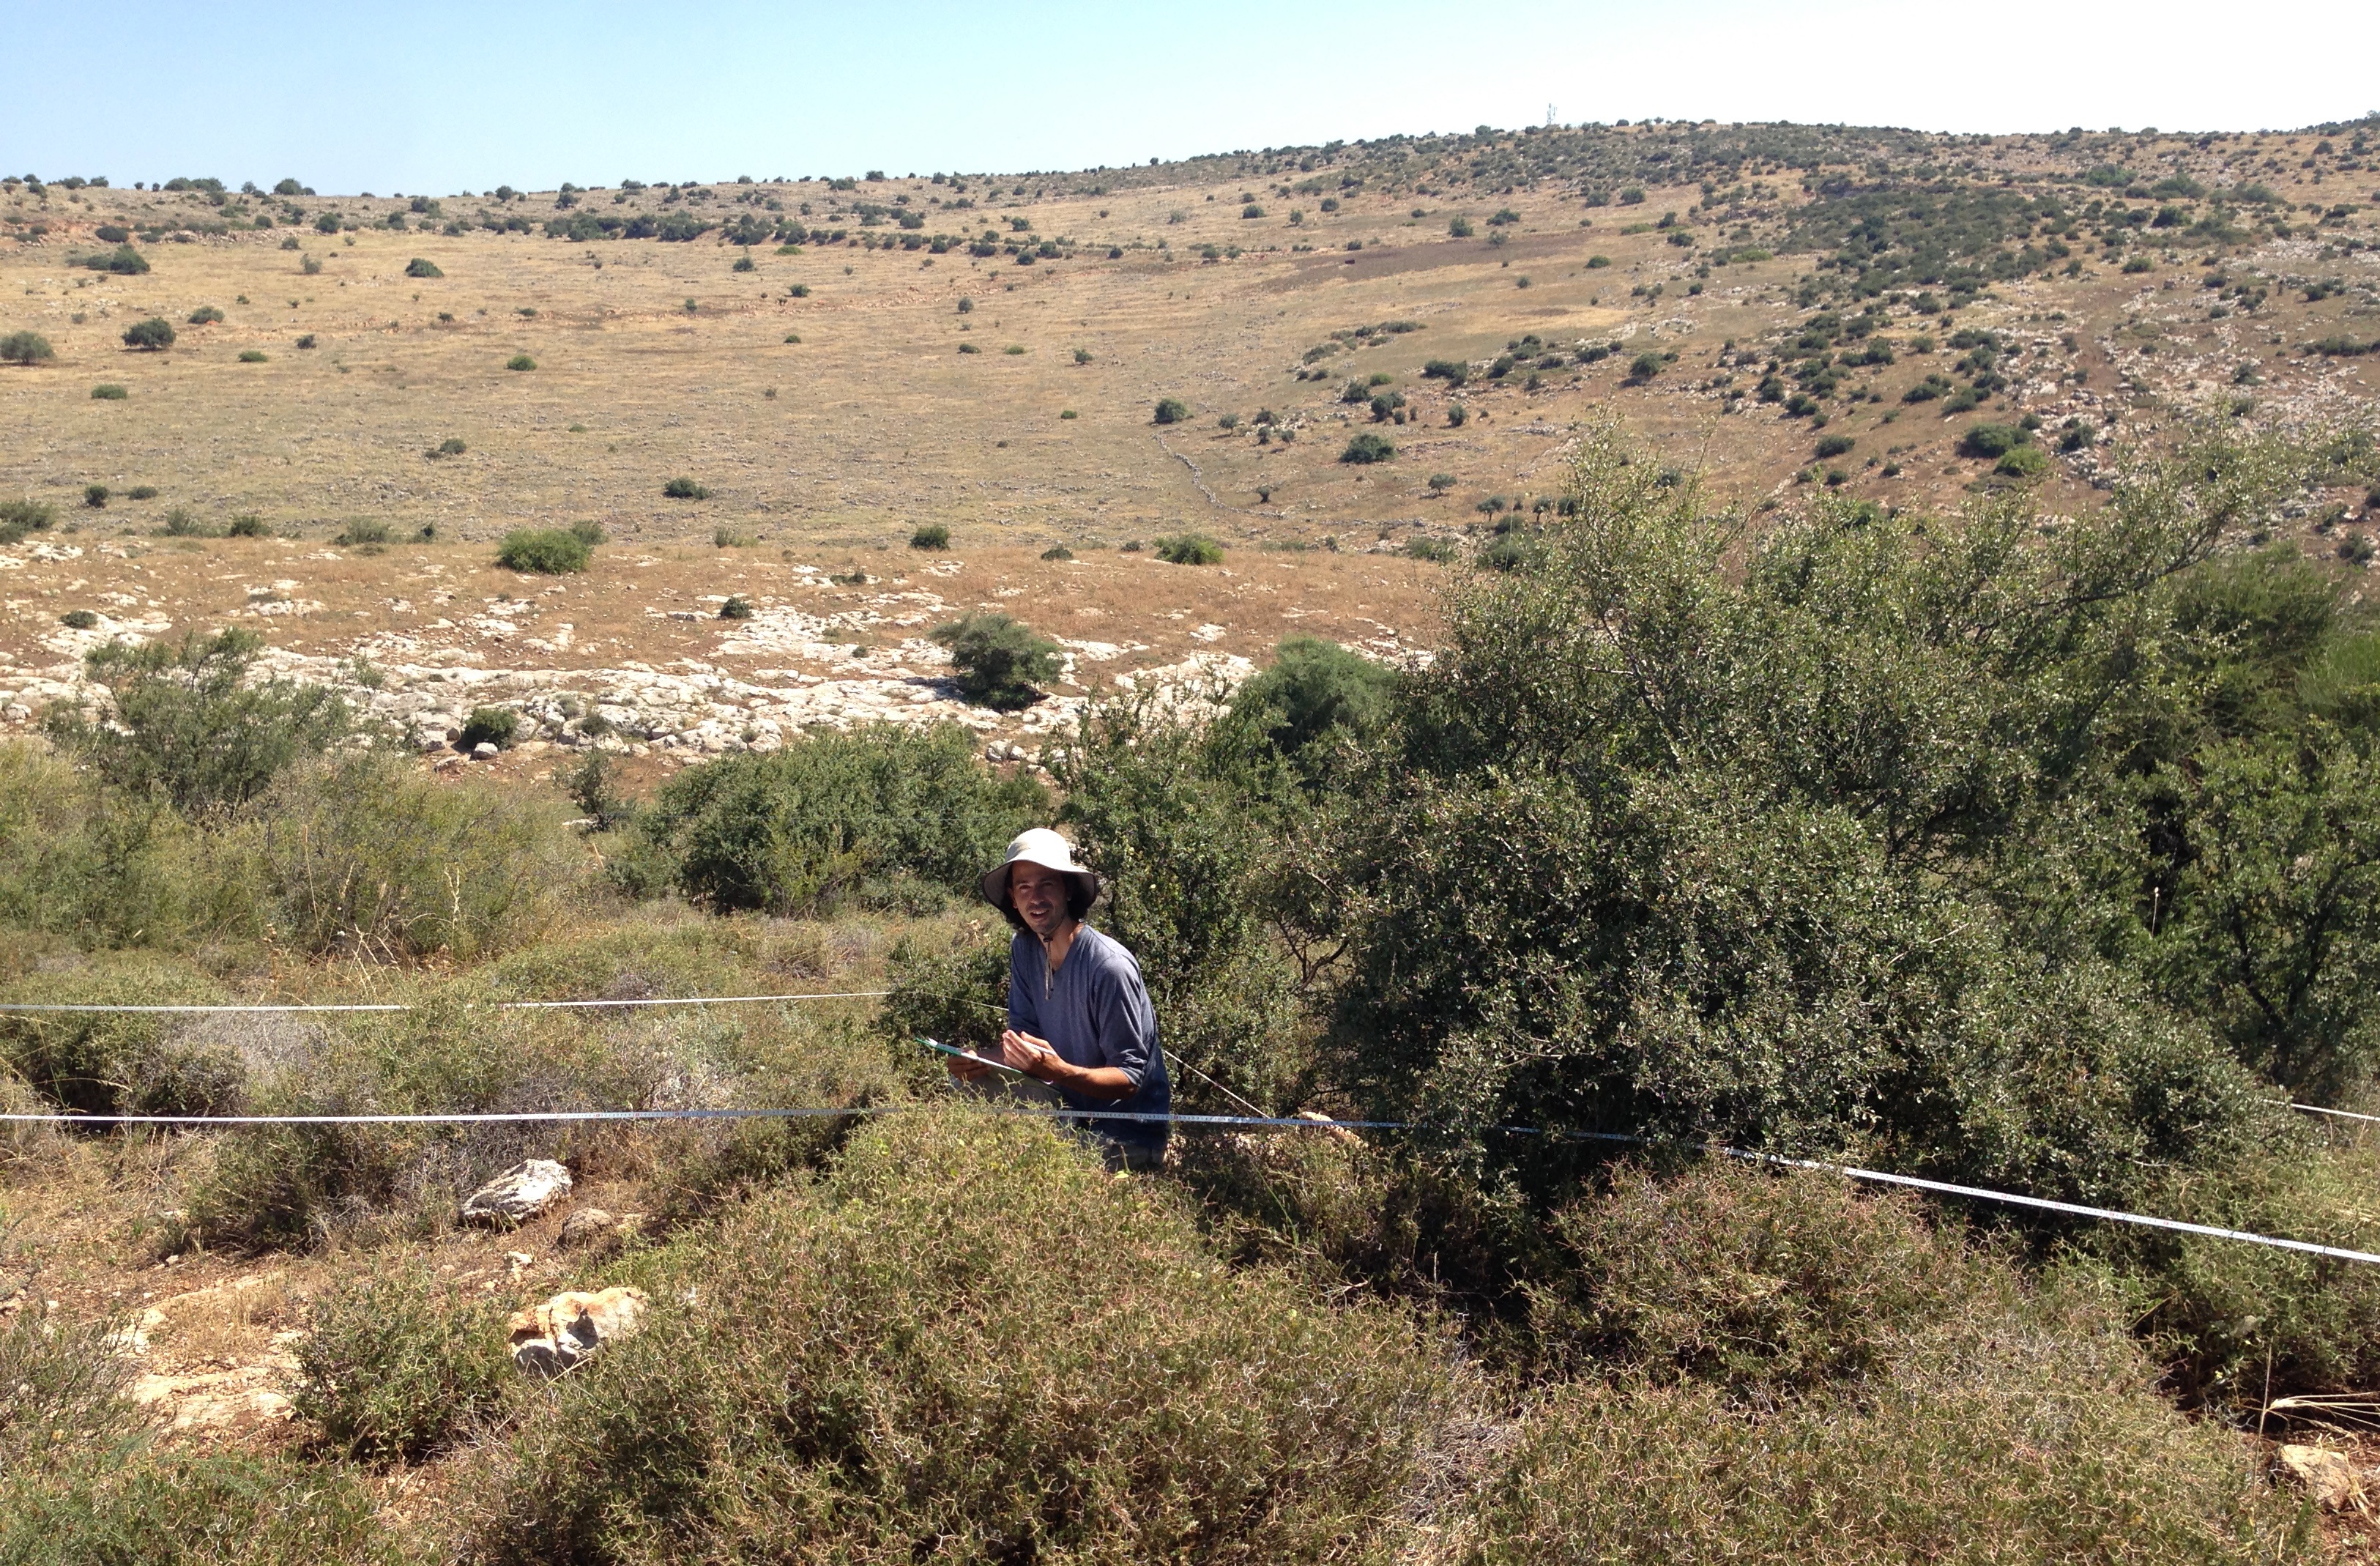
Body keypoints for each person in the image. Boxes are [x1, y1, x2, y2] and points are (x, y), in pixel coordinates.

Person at [948, 828, 1170, 1169]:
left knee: (1033, 1169)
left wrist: (1061, 1072)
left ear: (1067, 890)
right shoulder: (1024, 949)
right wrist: (976, 1059)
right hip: (1066, 1109)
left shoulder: (1109, 967)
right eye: (1024, 886)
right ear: (1012, 897)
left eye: (1046, 884)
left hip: (1125, 1135)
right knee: (963, 1082)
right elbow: (1025, 1044)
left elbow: (1129, 1079)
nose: (1035, 897)